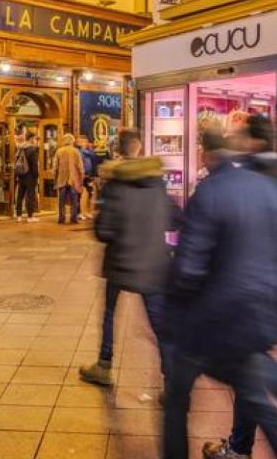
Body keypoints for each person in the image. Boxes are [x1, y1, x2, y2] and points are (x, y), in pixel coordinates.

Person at [163, 129, 277, 459]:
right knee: (253, 392)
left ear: (206, 154)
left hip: (214, 316)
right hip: (261, 309)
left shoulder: (210, 192)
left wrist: (175, 305)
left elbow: (188, 268)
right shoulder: (267, 187)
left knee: (177, 396)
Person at [80, 129, 178, 386]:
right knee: (159, 322)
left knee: (110, 313)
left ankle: (104, 365)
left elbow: (103, 231)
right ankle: (171, 378)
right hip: (154, 263)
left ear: (121, 150)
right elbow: (175, 220)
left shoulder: (114, 185)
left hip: (120, 262)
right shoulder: (158, 184)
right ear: (139, 147)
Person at [55, 133, 85, 225]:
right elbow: (80, 167)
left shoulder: (59, 151)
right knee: (74, 200)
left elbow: (55, 167)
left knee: (61, 201)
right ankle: (73, 218)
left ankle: (61, 218)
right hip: (73, 180)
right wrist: (81, 179)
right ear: (72, 141)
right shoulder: (76, 152)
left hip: (62, 179)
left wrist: (55, 179)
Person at [14, 133, 40, 222]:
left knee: (20, 195)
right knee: (30, 195)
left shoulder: (20, 148)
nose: (35, 140)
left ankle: (19, 215)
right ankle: (30, 216)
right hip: (30, 175)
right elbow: (34, 165)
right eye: (35, 139)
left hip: (21, 175)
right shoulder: (32, 149)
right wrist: (36, 176)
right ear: (32, 139)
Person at [77, 136, 100, 220]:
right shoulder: (80, 151)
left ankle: (86, 212)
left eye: (85, 141)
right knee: (81, 194)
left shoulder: (86, 151)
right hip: (82, 175)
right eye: (82, 141)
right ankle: (80, 213)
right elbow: (92, 155)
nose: (84, 143)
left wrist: (90, 148)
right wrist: (89, 148)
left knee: (90, 193)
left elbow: (93, 156)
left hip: (88, 175)